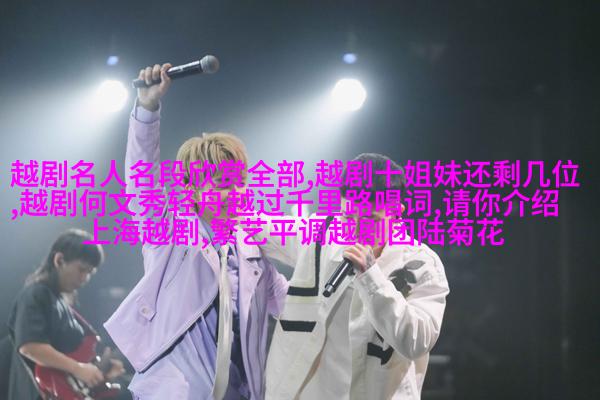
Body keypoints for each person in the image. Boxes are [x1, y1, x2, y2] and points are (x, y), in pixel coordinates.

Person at [104, 63, 288, 400]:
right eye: (222, 183)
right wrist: (147, 109)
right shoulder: (169, 233)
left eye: (240, 181)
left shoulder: (253, 252)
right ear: (192, 189)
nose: (235, 191)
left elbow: (297, 306)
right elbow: (141, 179)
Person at [260, 153, 450, 399]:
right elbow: (257, 227)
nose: (358, 230)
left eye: (371, 219)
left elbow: (416, 341)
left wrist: (372, 278)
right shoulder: (321, 235)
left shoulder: (421, 264)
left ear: (397, 212)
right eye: (348, 217)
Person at [6, 228, 125, 400]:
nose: (85, 278)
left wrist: (100, 372)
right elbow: (30, 346)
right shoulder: (36, 294)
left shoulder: (61, 303)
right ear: (59, 260)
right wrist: (78, 369)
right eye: (81, 269)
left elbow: (68, 368)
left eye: (90, 273)